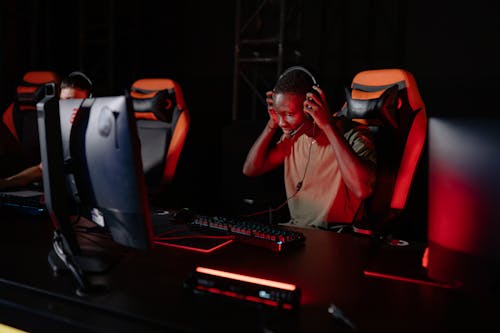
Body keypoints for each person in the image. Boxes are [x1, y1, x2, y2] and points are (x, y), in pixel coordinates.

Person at [242, 67, 377, 229]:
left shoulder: (352, 135)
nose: (282, 123)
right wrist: (271, 124)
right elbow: (251, 169)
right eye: (279, 114)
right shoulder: (292, 138)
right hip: (297, 232)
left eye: (289, 114)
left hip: (335, 237)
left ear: (311, 105)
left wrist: (327, 126)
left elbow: (363, 189)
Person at [0, 71, 92, 191]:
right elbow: (43, 168)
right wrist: (8, 182)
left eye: (72, 101)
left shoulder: (94, 133)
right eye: (63, 101)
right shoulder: (59, 129)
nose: (65, 107)